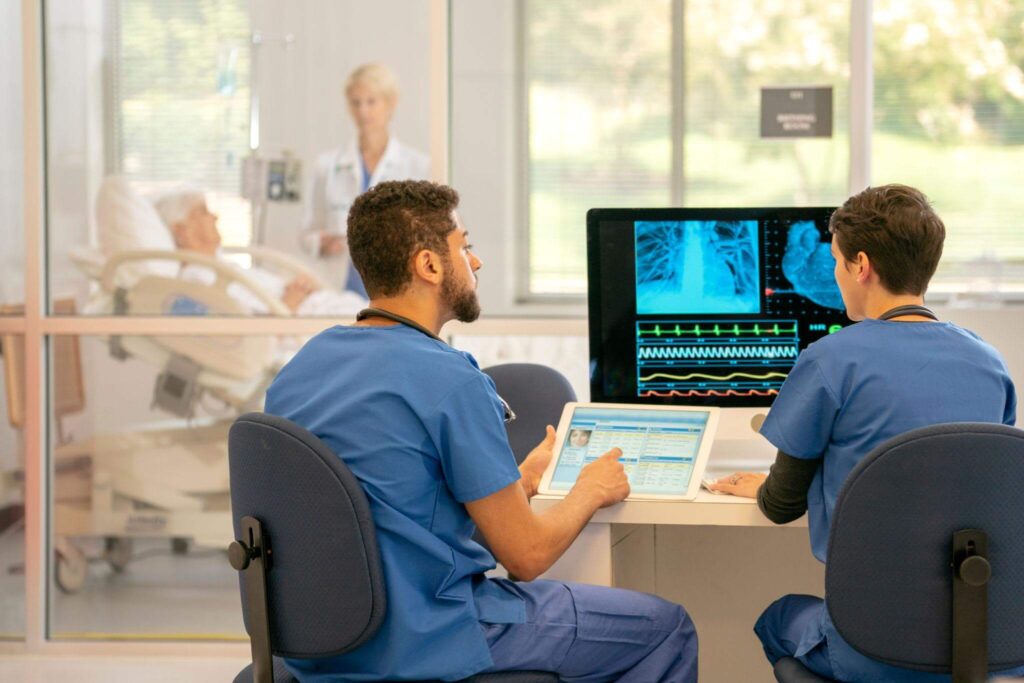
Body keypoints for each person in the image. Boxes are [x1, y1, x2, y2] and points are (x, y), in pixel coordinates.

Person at [264, 181, 698, 682]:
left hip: (324, 647)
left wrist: (519, 483)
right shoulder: (450, 380)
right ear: (429, 265)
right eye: (464, 245)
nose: (476, 262)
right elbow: (528, 556)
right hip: (431, 635)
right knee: (668, 627)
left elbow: (390, 514)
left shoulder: (300, 371)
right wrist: (588, 491)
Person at [709, 184, 1023, 682]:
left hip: (869, 650)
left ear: (861, 265)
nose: (835, 275)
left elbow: (781, 504)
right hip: (981, 642)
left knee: (777, 620)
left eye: (835, 261)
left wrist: (767, 487)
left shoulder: (830, 360)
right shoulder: (990, 362)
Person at [303, 63, 430, 296]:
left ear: (390, 104)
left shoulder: (418, 166)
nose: (363, 111)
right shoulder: (327, 166)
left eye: (371, 102)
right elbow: (307, 234)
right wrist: (322, 243)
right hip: (340, 288)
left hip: (397, 290)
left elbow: (428, 237)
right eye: (356, 102)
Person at [154, 189, 365, 316]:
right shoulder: (198, 278)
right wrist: (292, 299)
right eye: (203, 212)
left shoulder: (221, 267)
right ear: (181, 230)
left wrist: (298, 289)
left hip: (326, 309)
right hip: (313, 321)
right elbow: (254, 335)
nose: (214, 217)